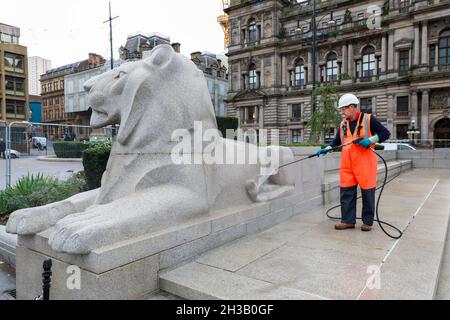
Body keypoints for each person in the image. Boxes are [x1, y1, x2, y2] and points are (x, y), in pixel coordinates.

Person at [316, 93, 391, 232]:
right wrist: (326, 149)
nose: (342, 112)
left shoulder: (369, 119)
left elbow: (385, 133)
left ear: (352, 107)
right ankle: (347, 220)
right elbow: (336, 142)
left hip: (365, 163)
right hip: (347, 165)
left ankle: (367, 222)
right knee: (346, 191)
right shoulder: (343, 124)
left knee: (367, 193)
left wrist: (370, 140)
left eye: (343, 109)